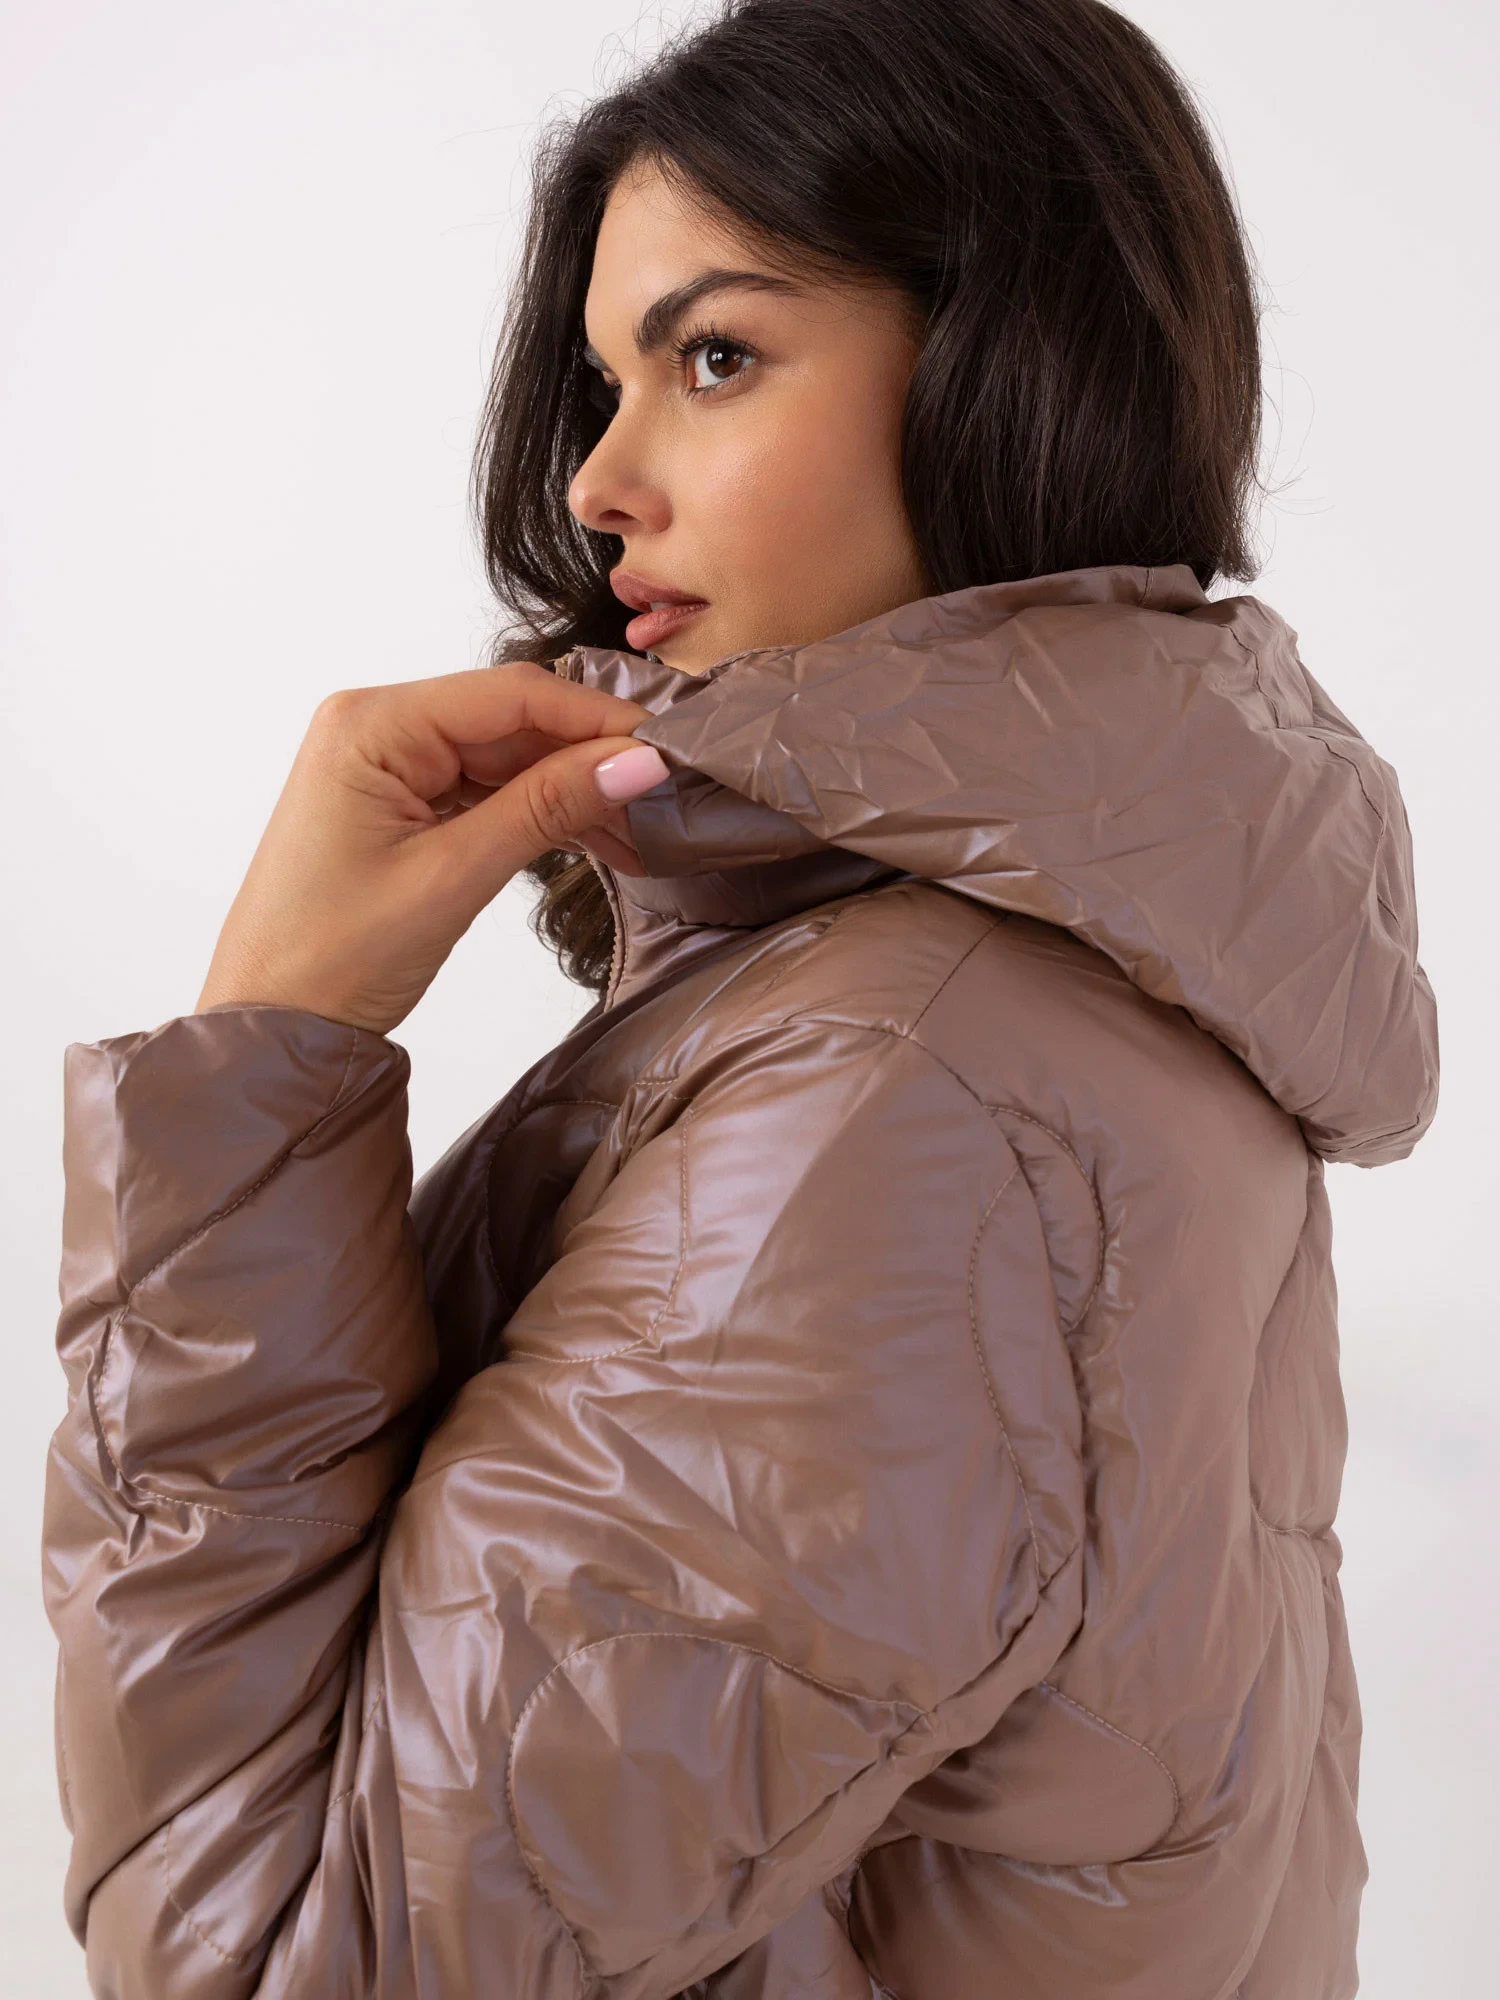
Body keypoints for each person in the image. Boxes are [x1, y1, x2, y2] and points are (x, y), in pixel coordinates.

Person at [41, 0, 1439, 1994]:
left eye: (715, 358)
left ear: (1005, 376)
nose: (600, 481)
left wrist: (267, 1047)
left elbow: (290, 1962)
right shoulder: (1076, 983)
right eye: (604, 381)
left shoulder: (902, 1098)